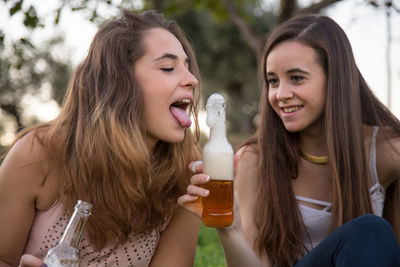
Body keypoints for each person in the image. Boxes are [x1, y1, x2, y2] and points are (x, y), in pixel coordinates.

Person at [179, 14, 400, 267]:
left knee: (370, 232)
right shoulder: (255, 160)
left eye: (296, 78)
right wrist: (230, 229)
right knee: (368, 230)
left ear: (335, 80)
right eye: (273, 81)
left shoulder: (382, 149)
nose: (280, 95)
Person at [0, 9, 202, 267]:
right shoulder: (38, 153)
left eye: (187, 68)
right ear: (119, 81)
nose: (192, 80)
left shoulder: (184, 173)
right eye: (168, 67)